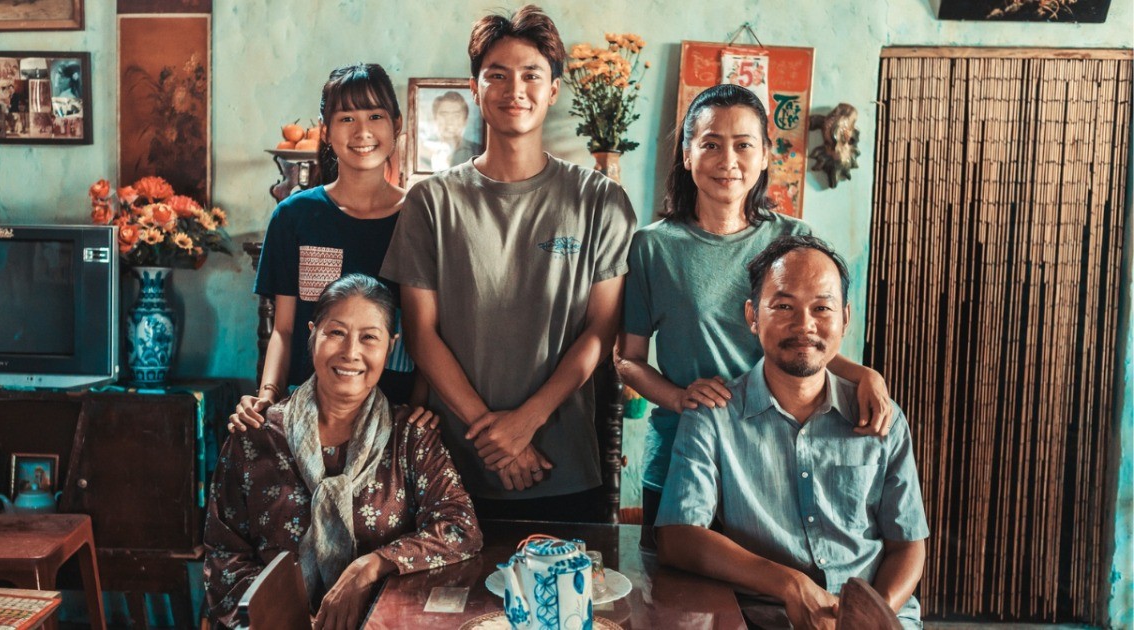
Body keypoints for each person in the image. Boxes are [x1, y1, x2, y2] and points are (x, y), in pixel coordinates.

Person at [381, 4, 636, 521]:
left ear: (554, 90)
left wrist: (527, 422)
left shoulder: (599, 200)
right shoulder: (431, 201)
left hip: (563, 464)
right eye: (496, 75)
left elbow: (601, 330)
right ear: (474, 90)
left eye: (531, 75)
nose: (514, 89)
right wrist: (496, 438)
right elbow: (420, 333)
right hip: (448, 469)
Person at [615, 83, 894, 549]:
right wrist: (679, 398)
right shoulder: (653, 246)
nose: (728, 160)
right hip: (682, 453)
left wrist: (865, 375)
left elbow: (807, 345)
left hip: (771, 458)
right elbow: (628, 360)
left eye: (744, 145)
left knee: (768, 587)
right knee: (673, 585)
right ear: (687, 155)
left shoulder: (795, 240)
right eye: (711, 144)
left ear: (765, 155)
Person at [656, 235, 928, 630]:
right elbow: (677, 537)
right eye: (784, 306)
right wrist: (790, 584)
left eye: (822, 308)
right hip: (766, 619)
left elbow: (908, 545)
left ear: (845, 319)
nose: (804, 325)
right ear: (753, 316)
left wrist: (865, 617)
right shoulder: (713, 417)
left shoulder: (881, 417)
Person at [204, 274, 481, 630]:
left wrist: (371, 566)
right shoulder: (255, 435)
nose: (351, 352)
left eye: (369, 337)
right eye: (336, 332)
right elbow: (224, 555)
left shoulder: (411, 438)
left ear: (391, 345)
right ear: (312, 334)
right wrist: (290, 619)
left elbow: (461, 527)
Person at [233, 63, 422, 431]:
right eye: (346, 118)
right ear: (326, 130)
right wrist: (268, 396)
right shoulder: (294, 216)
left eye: (375, 116)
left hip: (396, 418)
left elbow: (427, 332)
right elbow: (284, 330)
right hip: (309, 417)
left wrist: (417, 411)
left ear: (396, 124)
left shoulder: (420, 216)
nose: (362, 131)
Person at [421, 91, 482, 170]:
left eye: (456, 115)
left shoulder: (478, 151)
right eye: (444, 114)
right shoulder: (423, 151)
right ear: (435, 118)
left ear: (465, 120)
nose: (450, 121)